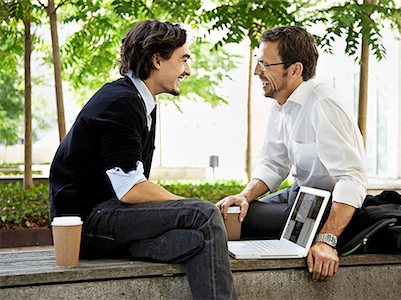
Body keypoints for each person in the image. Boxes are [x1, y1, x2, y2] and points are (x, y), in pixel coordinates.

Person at [49, 20, 237, 300]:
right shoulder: (120, 102)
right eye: (183, 59)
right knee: (203, 214)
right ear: (157, 59)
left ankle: (189, 243)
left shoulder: (141, 100)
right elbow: (131, 188)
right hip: (84, 226)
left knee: (195, 238)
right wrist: (188, 206)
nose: (188, 69)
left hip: (109, 215)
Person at [216, 26, 367, 282]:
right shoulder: (281, 104)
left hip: (328, 206)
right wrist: (244, 196)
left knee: (236, 224)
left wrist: (326, 240)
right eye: (257, 62)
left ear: (295, 69)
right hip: (300, 196)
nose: (256, 71)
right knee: (227, 215)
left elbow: (352, 178)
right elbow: (274, 165)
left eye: (265, 64)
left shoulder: (323, 103)